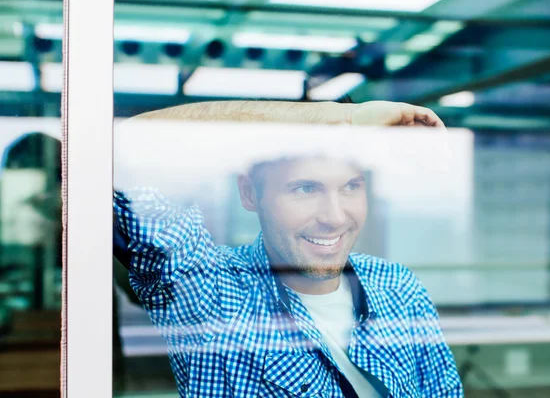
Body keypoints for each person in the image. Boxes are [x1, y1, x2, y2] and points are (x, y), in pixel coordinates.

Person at [113, 100, 463, 397]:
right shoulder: (211, 292)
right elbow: (128, 146)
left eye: (351, 187)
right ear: (250, 193)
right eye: (305, 189)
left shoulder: (397, 286)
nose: (335, 217)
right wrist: (342, 118)